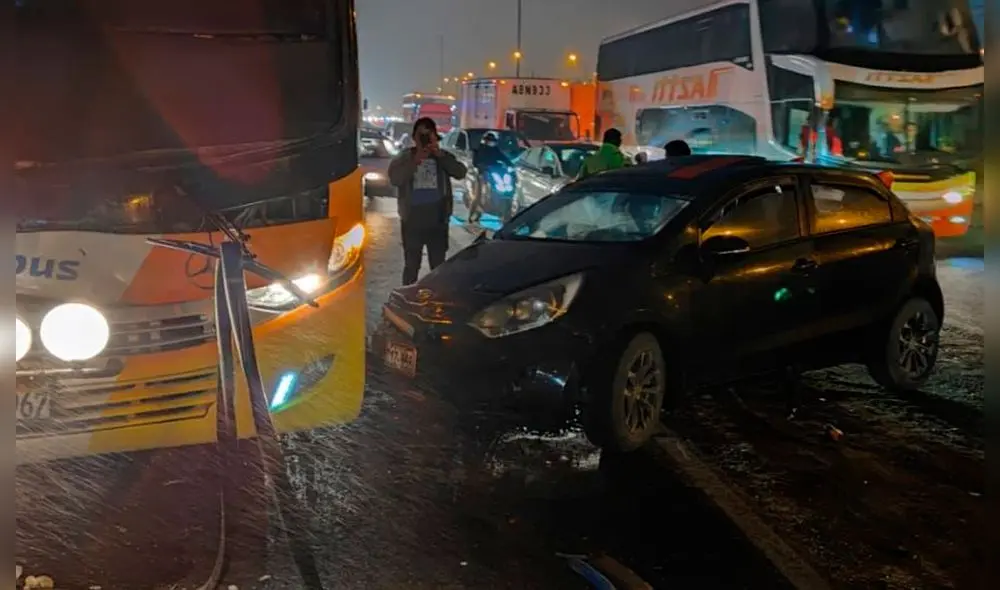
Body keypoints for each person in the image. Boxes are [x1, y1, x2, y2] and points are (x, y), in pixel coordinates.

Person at [387, 117, 467, 285]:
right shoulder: (405, 157)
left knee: (438, 267)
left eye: (427, 135)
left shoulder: (442, 157)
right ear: (414, 137)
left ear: (435, 136)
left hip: (437, 219)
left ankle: (435, 302)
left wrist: (440, 155)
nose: (423, 140)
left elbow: (460, 172)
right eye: (420, 136)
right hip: (412, 219)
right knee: (411, 265)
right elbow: (395, 179)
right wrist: (415, 161)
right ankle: (407, 299)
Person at [468, 131, 512, 223]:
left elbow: (504, 158)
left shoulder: (495, 149)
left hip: (497, 172)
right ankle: (471, 214)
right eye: (489, 141)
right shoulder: (479, 150)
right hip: (483, 174)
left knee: (509, 189)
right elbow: (475, 162)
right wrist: (481, 166)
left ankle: (506, 215)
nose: (491, 143)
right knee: (478, 195)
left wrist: (510, 165)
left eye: (492, 141)